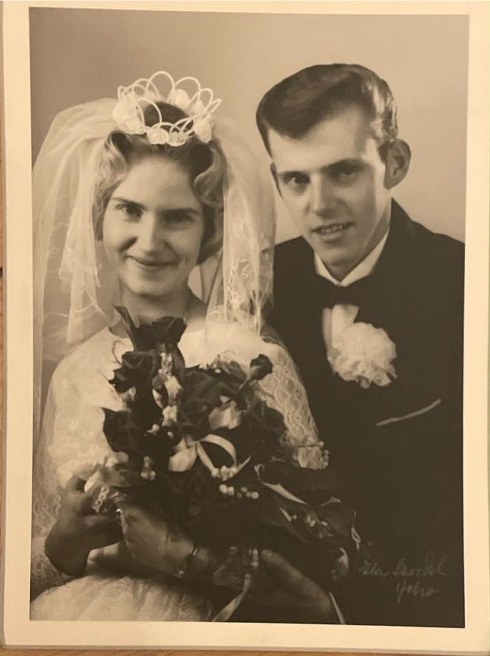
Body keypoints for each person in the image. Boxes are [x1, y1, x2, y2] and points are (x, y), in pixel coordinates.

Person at [30, 71, 343, 622]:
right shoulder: (72, 373)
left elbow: (312, 549)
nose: (150, 241)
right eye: (129, 209)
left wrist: (182, 556)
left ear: (209, 234)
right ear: (99, 217)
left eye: (177, 218)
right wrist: (62, 542)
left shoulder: (249, 356)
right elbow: (35, 562)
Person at [256, 63, 464, 627]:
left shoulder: (466, 283)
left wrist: (351, 610)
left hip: (423, 607)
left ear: (394, 162)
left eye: (343, 171)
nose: (319, 204)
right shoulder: (255, 287)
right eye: (296, 180)